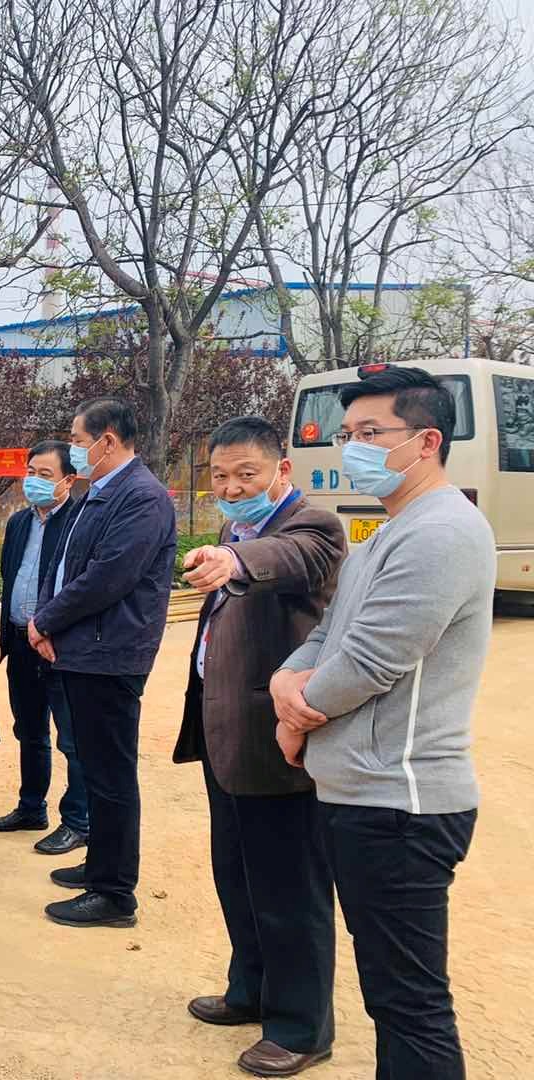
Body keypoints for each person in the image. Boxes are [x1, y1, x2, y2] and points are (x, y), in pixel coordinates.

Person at [272, 366, 494, 1080]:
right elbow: (326, 633)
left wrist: (295, 720)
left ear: (427, 441)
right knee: (390, 996)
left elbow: (370, 661)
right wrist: (282, 681)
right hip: (362, 794)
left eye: (371, 433)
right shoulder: (383, 535)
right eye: (346, 434)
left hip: (402, 803)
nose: (352, 449)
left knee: (409, 1004)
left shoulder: (443, 532)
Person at [172, 416, 345, 1078]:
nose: (231, 487)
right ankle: (250, 989)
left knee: (289, 886)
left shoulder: (313, 527)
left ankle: (302, 1027)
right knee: (238, 873)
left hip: (278, 742)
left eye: (246, 474)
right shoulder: (232, 529)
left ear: (281, 471)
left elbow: (289, 557)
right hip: (228, 735)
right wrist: (231, 551)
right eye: (219, 475)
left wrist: (236, 561)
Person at [29, 397, 176, 928]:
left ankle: (114, 894)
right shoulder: (99, 493)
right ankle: (100, 866)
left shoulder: (142, 498)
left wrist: (46, 621)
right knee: (93, 767)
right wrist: (47, 620)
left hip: (110, 654)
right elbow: (63, 565)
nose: (74, 448)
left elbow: (107, 576)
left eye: (77, 439)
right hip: (83, 649)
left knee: (112, 775)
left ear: (106, 440)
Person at [0, 440, 87, 856]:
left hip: (59, 647)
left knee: (72, 739)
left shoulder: (80, 522)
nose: (34, 481)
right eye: (31, 473)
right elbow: (11, 575)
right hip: (20, 642)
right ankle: (31, 807)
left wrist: (52, 629)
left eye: (45, 475)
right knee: (29, 732)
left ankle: (77, 821)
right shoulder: (19, 523)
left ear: (68, 480)